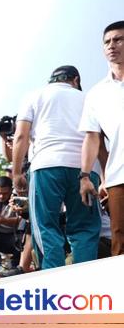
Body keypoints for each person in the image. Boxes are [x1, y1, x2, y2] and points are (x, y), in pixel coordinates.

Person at [12, 65, 100, 269]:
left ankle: (54, 283)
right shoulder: (89, 98)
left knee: (46, 227)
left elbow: (21, 136)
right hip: (86, 170)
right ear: (75, 80)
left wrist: (16, 172)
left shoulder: (35, 96)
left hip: (46, 166)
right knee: (85, 229)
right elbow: (99, 140)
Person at [80, 20, 124, 257]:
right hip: (119, 177)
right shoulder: (97, 94)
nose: (111, 45)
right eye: (107, 41)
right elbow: (92, 137)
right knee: (119, 238)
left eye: (118, 39)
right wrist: (86, 176)